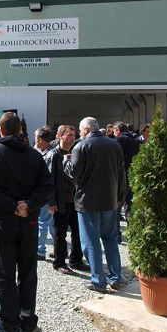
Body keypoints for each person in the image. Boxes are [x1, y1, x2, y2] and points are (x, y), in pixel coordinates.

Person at [0, 112, 54, 332]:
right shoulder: (34, 154)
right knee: (28, 271)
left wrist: (14, 206)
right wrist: (26, 205)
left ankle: (11, 323)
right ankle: (27, 322)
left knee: (5, 270)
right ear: (20, 130)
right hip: (27, 219)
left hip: (4, 220)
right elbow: (46, 186)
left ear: (1, 130)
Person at [66, 117, 126, 293]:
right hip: (110, 200)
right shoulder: (114, 145)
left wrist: (66, 162)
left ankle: (98, 280)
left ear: (85, 130)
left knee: (91, 243)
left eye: (80, 130)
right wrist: (120, 196)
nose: (79, 133)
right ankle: (115, 277)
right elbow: (121, 173)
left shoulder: (81, 146)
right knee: (110, 239)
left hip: (88, 202)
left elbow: (73, 172)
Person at [49, 125, 87, 273]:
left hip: (76, 200)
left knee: (77, 232)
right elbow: (49, 180)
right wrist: (51, 202)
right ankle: (59, 262)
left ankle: (76, 260)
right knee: (60, 233)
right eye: (69, 135)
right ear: (60, 136)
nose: (72, 138)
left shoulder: (76, 152)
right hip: (61, 200)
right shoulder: (54, 155)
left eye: (74, 135)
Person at [113, 121, 141, 232]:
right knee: (130, 206)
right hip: (133, 176)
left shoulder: (118, 140)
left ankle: (117, 234)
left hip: (120, 177)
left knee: (116, 207)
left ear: (117, 130)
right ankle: (131, 231)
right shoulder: (135, 140)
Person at [34, 127, 54, 260]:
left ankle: (40, 251)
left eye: (36, 139)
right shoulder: (47, 152)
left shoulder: (50, 154)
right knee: (51, 224)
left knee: (43, 222)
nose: (35, 142)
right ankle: (59, 248)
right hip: (49, 195)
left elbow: (50, 178)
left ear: (40, 139)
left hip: (46, 195)